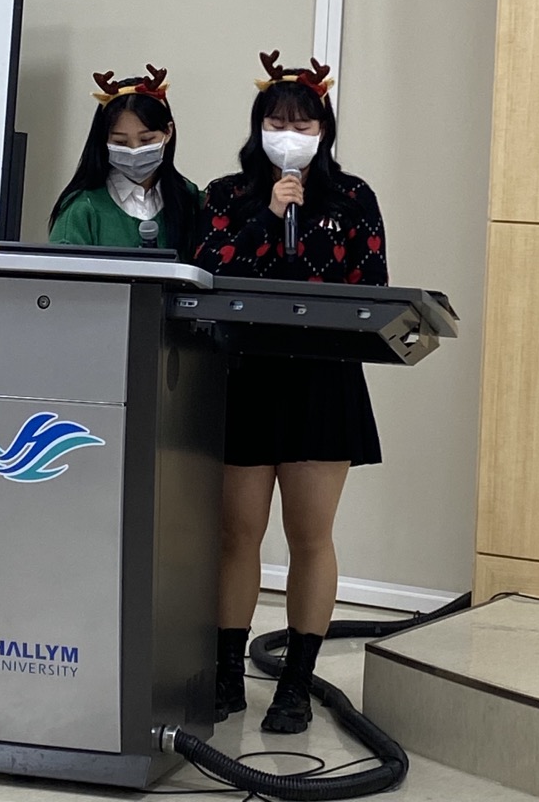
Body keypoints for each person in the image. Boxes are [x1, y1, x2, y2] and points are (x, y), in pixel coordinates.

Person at [194, 51, 387, 735]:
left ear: (324, 131)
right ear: (257, 128)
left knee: (311, 537)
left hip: (321, 380)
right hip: (243, 377)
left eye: (303, 125)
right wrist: (267, 217)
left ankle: (296, 684)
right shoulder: (225, 195)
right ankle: (225, 673)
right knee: (235, 534)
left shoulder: (353, 198)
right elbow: (206, 271)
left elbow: (371, 287)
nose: (290, 136)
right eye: (277, 124)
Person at [48, 65, 197, 258]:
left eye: (146, 140)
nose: (134, 150)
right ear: (104, 140)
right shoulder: (82, 208)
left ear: (168, 132)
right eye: (121, 142)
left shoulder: (190, 199)